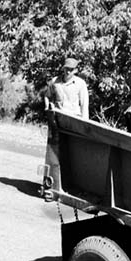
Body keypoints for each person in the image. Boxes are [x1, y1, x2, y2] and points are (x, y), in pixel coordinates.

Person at [41, 57, 88, 201]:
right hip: (57, 122)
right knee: (53, 155)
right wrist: (48, 107)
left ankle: (74, 188)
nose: (68, 71)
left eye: (71, 69)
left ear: (76, 70)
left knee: (74, 156)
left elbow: (84, 106)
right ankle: (50, 188)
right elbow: (47, 96)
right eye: (66, 68)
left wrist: (84, 126)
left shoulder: (80, 84)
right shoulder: (55, 82)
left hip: (74, 122)